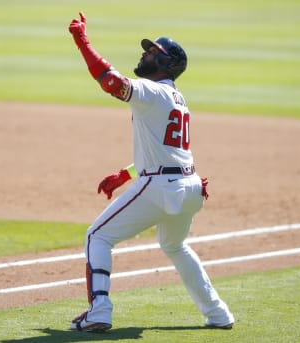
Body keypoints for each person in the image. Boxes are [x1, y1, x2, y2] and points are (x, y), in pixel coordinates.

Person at [68, 12, 234, 332]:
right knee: (175, 246)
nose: (145, 54)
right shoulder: (176, 97)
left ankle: (99, 310)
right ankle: (218, 313)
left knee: (97, 236)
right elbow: (166, 150)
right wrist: (127, 173)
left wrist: (82, 42)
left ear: (166, 64)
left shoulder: (152, 91)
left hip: (163, 186)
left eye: (153, 52)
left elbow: (111, 82)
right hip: (189, 185)